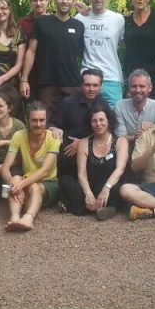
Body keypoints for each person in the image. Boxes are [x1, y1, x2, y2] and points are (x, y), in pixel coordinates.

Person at [48, 68, 109, 210]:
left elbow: (109, 130)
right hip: (69, 152)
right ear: (81, 85)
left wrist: (82, 142)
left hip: (94, 148)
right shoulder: (68, 102)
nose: (91, 89)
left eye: (95, 85)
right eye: (88, 85)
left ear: (100, 86)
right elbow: (51, 124)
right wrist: (55, 129)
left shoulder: (103, 104)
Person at [0, 101, 61, 232]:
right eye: (34, 120)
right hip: (27, 179)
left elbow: (44, 171)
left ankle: (28, 218)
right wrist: (14, 184)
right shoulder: (19, 136)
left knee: (33, 186)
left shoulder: (53, 138)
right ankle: (14, 217)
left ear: (46, 120)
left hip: (48, 182)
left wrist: (21, 185)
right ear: (27, 120)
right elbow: (5, 168)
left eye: (42, 120)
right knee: (14, 178)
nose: (38, 124)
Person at [21, 0, 84, 118]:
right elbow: (31, 51)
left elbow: (83, 56)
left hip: (72, 84)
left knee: (72, 124)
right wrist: (24, 79)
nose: (65, 1)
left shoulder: (79, 26)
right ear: (55, 0)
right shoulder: (42, 23)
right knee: (46, 125)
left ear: (73, 1)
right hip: (47, 84)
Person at [68, 104, 128, 220]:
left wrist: (106, 188)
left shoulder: (121, 141)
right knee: (67, 182)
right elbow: (81, 174)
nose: (98, 124)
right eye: (94, 121)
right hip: (92, 185)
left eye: (101, 120)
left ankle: (104, 207)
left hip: (111, 186)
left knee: (121, 188)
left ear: (108, 121)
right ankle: (97, 205)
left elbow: (120, 169)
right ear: (90, 123)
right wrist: (88, 193)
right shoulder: (84, 143)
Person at [75, 0, 125, 106]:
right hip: (88, 77)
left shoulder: (118, 19)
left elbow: (127, 45)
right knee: (86, 118)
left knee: (114, 119)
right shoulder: (80, 19)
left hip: (112, 78)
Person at [17, 0, 49, 100]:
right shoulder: (22, 23)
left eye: (41, 0)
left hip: (48, 76)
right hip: (28, 75)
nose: (38, 3)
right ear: (30, 2)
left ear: (47, 1)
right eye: (35, 0)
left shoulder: (54, 22)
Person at [114, 69, 155, 144]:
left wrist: (154, 128)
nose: (138, 90)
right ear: (129, 88)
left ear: (150, 88)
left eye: (142, 86)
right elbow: (120, 137)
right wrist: (135, 137)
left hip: (152, 147)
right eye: (134, 86)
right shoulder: (120, 106)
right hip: (127, 147)